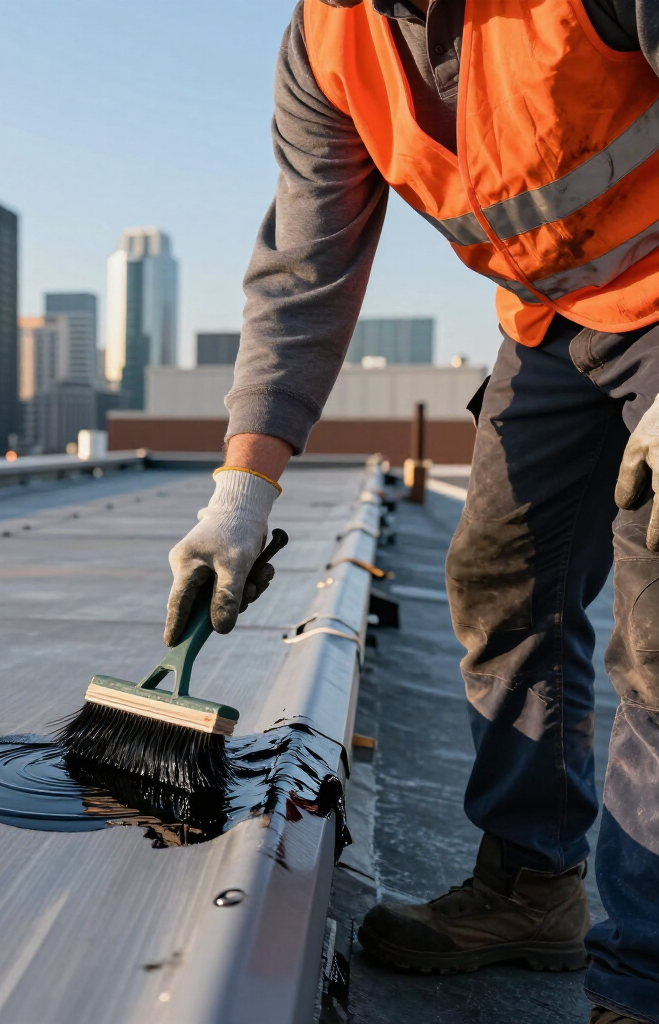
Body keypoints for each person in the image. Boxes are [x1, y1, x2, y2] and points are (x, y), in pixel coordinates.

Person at [164, 2, 659, 1021]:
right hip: (554, 319)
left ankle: (643, 978)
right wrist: (240, 494)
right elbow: (305, 272)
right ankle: (529, 884)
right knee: (501, 580)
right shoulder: (328, 41)